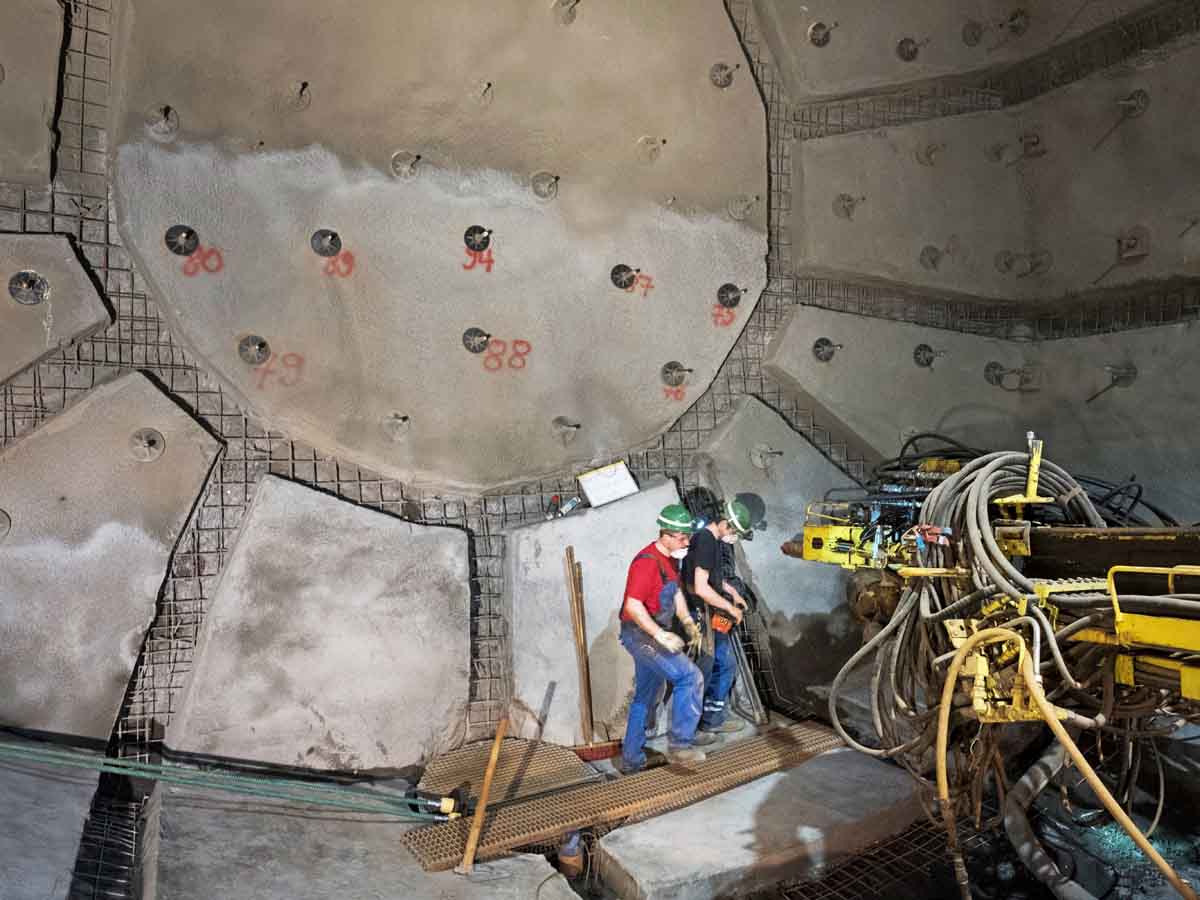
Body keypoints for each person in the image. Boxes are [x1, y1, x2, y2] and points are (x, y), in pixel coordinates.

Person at [616, 504, 713, 773]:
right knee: (690, 677)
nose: (687, 542)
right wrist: (660, 635)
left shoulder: (671, 558)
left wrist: (686, 621)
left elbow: (676, 592)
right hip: (641, 635)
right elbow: (633, 606)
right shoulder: (646, 563)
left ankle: (631, 760)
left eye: (688, 537)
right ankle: (681, 746)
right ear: (666, 535)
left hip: (652, 633)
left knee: (645, 696)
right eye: (682, 537)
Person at [683, 497, 753, 735]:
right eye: (734, 532)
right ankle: (691, 730)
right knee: (703, 669)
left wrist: (732, 591)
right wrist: (731, 608)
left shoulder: (708, 539)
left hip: (710, 614)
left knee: (724, 664)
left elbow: (711, 578)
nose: (732, 537)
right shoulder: (706, 542)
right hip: (701, 615)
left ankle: (711, 719)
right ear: (727, 525)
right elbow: (701, 588)